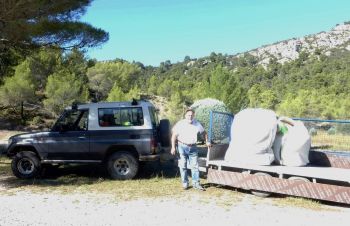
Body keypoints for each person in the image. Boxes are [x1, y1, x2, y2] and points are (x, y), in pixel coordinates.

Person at [170, 108, 211, 190]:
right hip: (182, 147)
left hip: (193, 148)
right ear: (185, 116)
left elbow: (204, 133)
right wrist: (173, 147)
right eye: (188, 115)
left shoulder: (197, 124)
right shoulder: (180, 124)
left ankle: (196, 184)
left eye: (192, 115)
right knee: (183, 166)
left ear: (194, 116)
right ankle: (185, 183)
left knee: (195, 166)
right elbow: (174, 136)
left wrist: (207, 141)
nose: (190, 117)